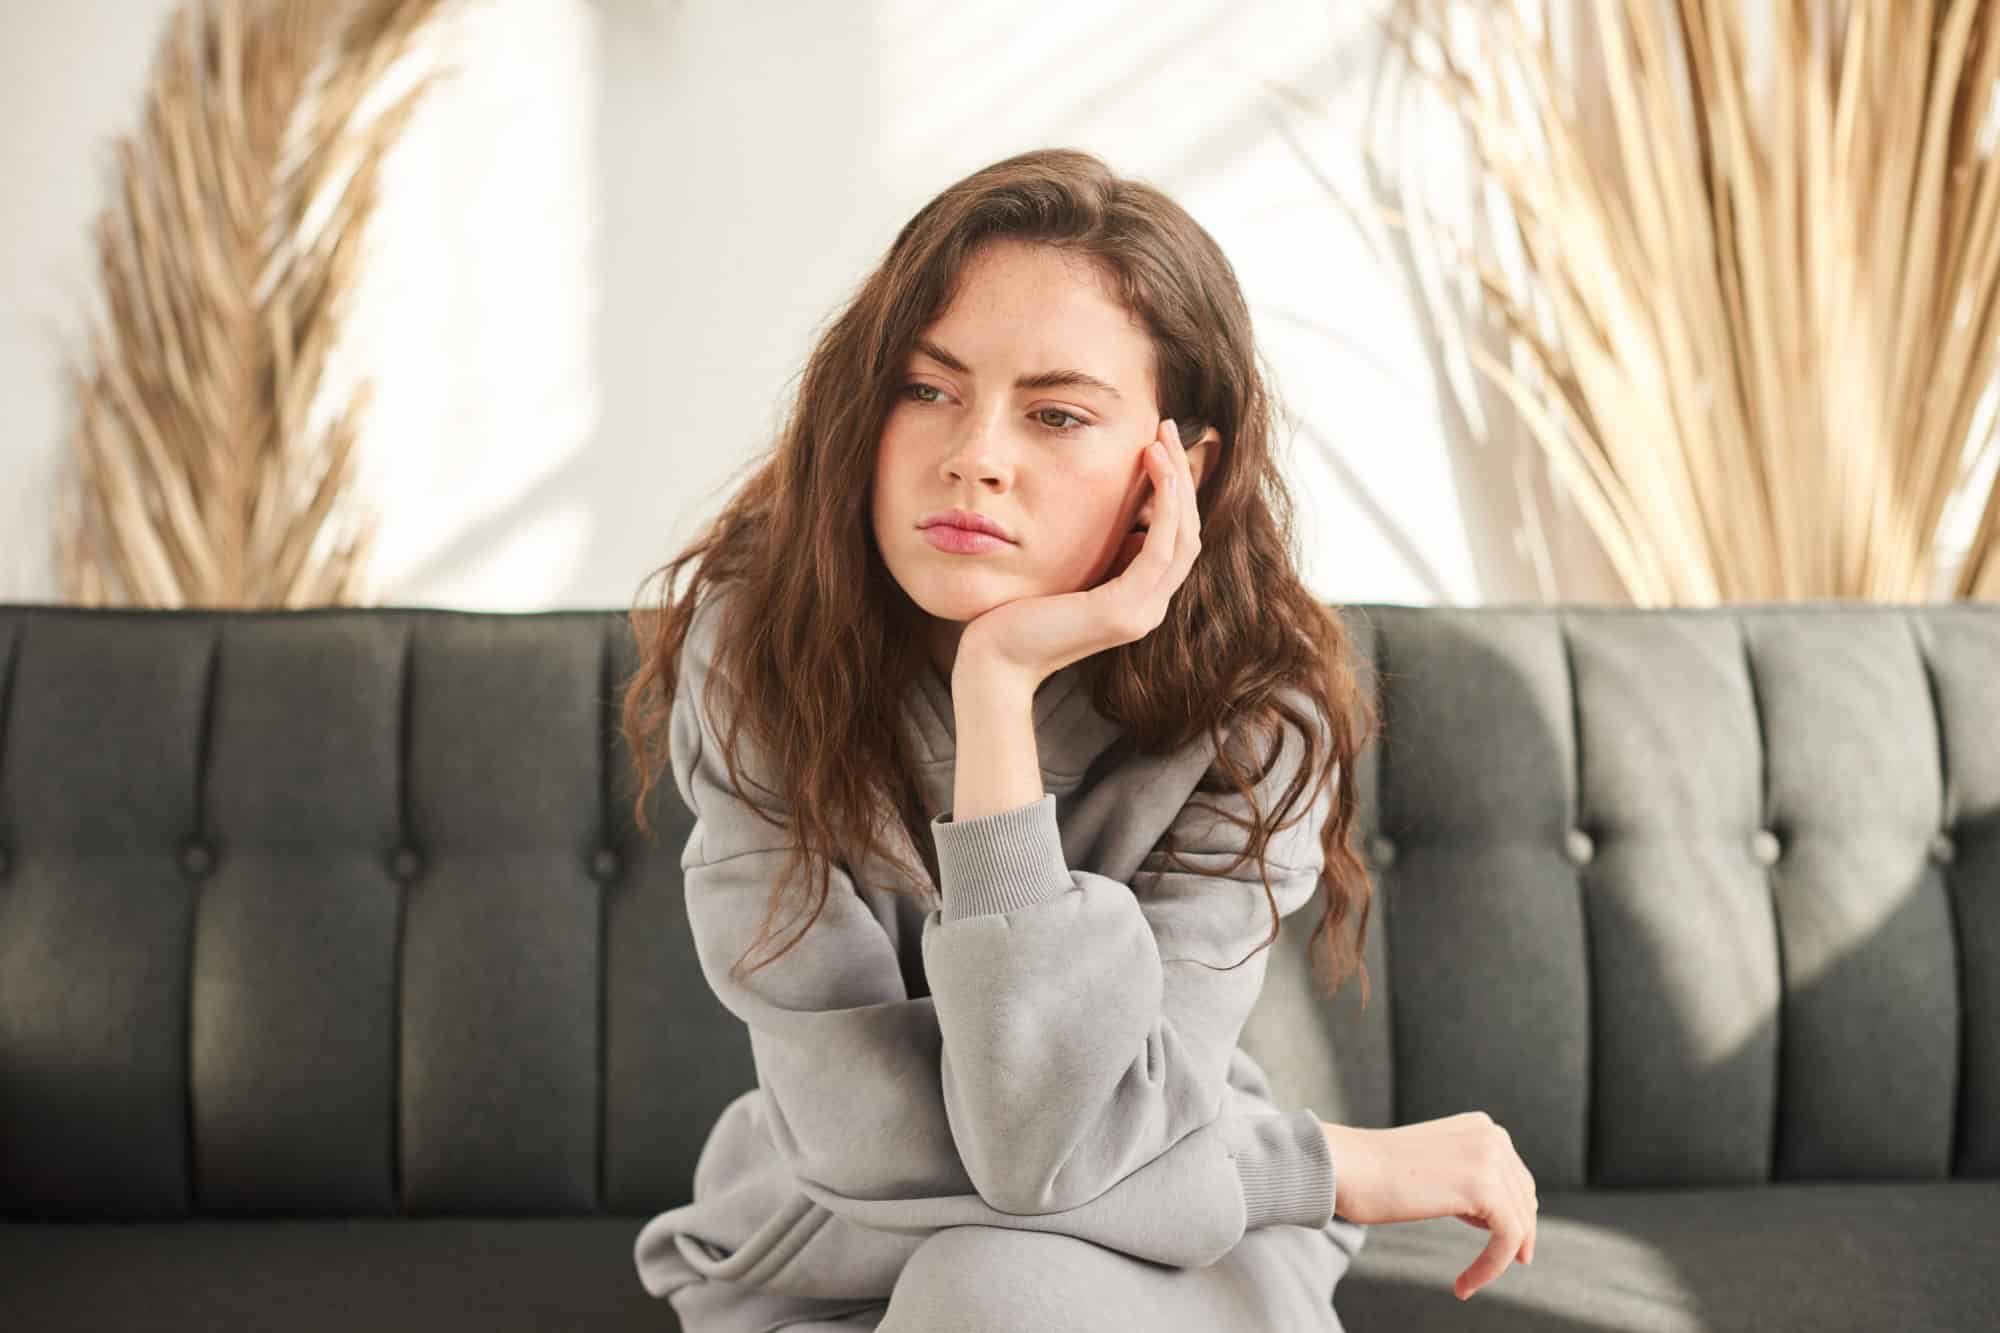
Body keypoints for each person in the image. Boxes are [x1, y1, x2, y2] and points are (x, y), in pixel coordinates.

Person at [620, 147, 1535, 1332]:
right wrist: (1315, 1168)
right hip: (834, 1248)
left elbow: (1048, 1147)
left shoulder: (1257, 715)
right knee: (982, 1288)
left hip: (1162, 1263)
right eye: (923, 387)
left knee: (987, 1287)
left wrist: (994, 689)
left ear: (1177, 471)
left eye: (1055, 414)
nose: (974, 453)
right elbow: (875, 1140)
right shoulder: (757, 649)